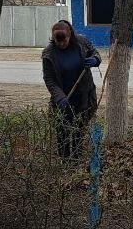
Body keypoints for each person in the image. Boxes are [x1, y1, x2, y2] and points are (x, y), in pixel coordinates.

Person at [41, 20, 101, 160]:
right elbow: (49, 79)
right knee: (63, 133)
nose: (61, 44)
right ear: (53, 38)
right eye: (58, 42)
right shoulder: (49, 54)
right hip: (63, 100)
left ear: (70, 35)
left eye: (64, 41)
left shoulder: (81, 42)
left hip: (83, 96)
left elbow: (95, 52)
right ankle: (65, 161)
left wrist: (95, 59)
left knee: (79, 131)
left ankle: (76, 161)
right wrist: (59, 96)